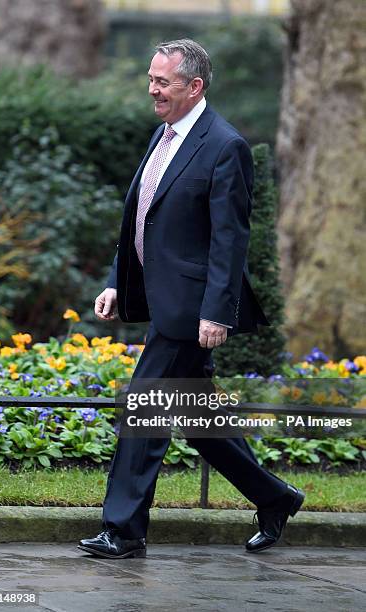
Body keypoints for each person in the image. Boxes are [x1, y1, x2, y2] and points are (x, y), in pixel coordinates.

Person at [78, 39, 304, 559]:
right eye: (151, 79)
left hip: (190, 311)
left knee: (144, 411)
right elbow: (144, 218)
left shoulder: (225, 145)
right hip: (164, 300)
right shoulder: (166, 135)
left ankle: (123, 530)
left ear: (194, 86)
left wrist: (216, 312)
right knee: (202, 423)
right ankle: (276, 497)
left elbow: (231, 239)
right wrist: (118, 279)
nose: (153, 89)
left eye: (163, 82)